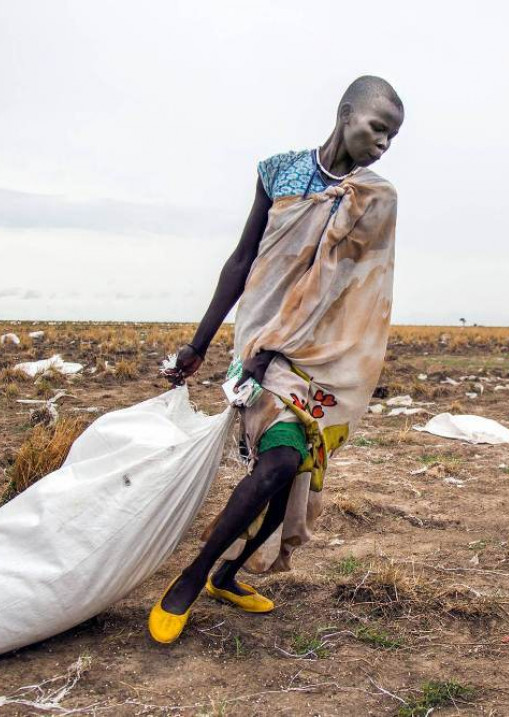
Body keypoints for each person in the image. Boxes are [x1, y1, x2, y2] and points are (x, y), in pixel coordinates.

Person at [149, 75, 403, 644]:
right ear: (345, 114)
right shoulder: (278, 171)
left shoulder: (375, 198)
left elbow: (348, 287)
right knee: (281, 462)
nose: (384, 145)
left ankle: (229, 576)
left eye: (393, 138)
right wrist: (200, 342)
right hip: (260, 337)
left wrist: (290, 344)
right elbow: (242, 262)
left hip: (321, 352)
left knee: (292, 473)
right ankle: (190, 580)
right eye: (377, 128)